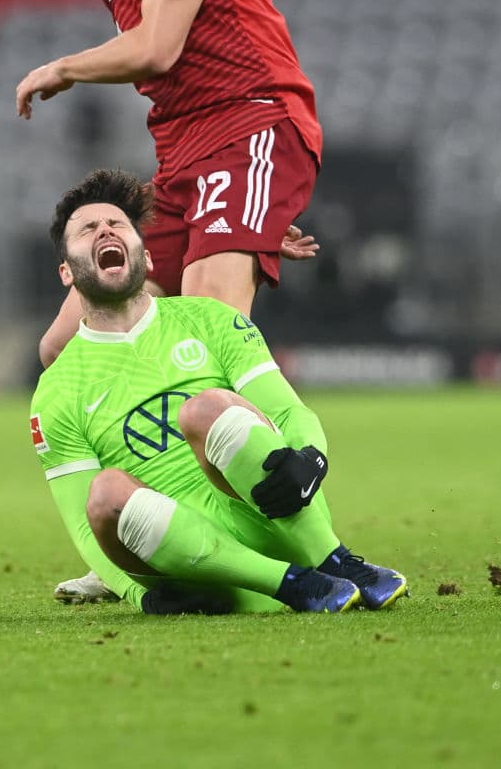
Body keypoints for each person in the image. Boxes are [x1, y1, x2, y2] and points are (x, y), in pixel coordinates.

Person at [15, 0, 323, 374]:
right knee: (66, 347)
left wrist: (64, 68)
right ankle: (123, 472)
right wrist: (242, 222)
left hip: (251, 124)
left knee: (203, 339)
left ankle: (283, 460)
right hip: (185, 161)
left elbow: (157, 50)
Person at [29, 168, 408, 615]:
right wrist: (141, 595)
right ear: (66, 273)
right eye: (87, 229)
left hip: (274, 515)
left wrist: (311, 455)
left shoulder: (210, 320)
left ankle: (337, 561)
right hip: (194, 564)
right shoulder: (55, 392)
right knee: (106, 491)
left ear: (148, 259)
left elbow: (286, 409)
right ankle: (292, 585)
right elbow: (84, 524)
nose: (104, 231)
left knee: (206, 408)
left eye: (117, 225)